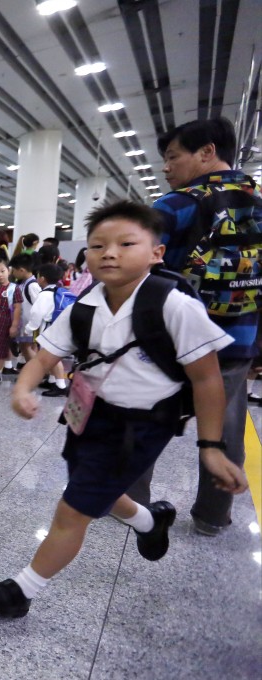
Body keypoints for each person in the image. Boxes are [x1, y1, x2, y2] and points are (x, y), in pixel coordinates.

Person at [0, 200, 248, 619]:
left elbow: (207, 379)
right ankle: (147, 520)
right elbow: (45, 356)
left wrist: (211, 446)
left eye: (126, 243)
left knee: (74, 508)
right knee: (91, 485)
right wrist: (23, 389)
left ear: (157, 252)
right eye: (98, 245)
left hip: (141, 426)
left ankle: (22, 591)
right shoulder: (85, 306)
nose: (109, 253)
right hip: (87, 414)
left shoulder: (174, 306)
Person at [153, 116, 262, 536]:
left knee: (147, 414)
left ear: (206, 152)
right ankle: (213, 516)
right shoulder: (258, 200)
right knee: (228, 426)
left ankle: (130, 499)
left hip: (174, 337)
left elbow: (135, 259)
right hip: (239, 337)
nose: (167, 168)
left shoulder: (179, 203)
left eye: (172, 157)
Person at [24, 263, 70, 397]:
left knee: (53, 357)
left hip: (50, 330)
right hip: (58, 328)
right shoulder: (59, 290)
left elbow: (37, 314)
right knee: (51, 356)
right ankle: (52, 380)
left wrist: (29, 329)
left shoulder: (44, 295)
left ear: (42, 278)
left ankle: (60, 385)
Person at [9, 254, 40, 372]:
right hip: (25, 325)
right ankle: (32, 371)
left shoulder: (32, 285)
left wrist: (33, 326)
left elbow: (39, 306)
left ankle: (38, 372)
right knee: (26, 348)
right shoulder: (23, 283)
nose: (13, 273)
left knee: (26, 348)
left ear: (21, 270)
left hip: (29, 326)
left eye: (14, 270)